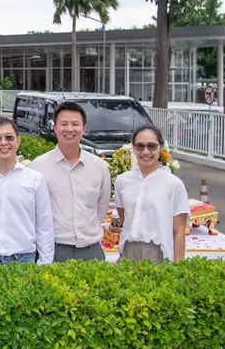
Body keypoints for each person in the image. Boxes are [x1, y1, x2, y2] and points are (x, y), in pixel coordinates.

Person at [30, 102, 110, 261]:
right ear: (54, 128)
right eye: (64, 124)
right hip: (53, 251)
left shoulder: (99, 167)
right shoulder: (37, 167)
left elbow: (101, 208)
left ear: (84, 129)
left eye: (75, 124)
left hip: (91, 251)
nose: (69, 129)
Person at [0, 117, 54, 264]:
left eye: (9, 137)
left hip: (24, 259)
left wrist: (45, 264)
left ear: (18, 141)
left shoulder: (35, 179)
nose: (3, 142)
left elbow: (44, 226)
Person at [115, 125, 189, 262]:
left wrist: (180, 267)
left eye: (151, 146)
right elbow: (124, 217)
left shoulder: (173, 184)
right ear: (133, 148)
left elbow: (179, 231)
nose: (145, 152)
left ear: (160, 147)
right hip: (128, 250)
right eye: (140, 146)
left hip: (159, 253)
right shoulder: (122, 181)